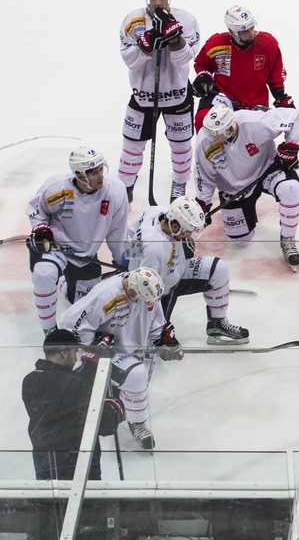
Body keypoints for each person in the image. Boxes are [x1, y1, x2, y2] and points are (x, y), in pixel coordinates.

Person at [57, 267, 180, 450]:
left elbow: (155, 321)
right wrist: (94, 342)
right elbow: (68, 324)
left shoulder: (146, 293)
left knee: (135, 376)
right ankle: (138, 422)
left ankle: (123, 398)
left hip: (128, 348)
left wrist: (163, 339)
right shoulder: (106, 294)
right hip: (102, 352)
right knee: (137, 374)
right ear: (131, 290)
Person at [26, 146, 129, 335]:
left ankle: (64, 284)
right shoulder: (57, 187)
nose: (100, 176)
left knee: (84, 308)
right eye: (93, 172)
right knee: (43, 274)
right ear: (79, 175)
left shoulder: (115, 191)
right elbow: (37, 212)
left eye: (100, 170)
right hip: (57, 250)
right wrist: (41, 231)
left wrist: (122, 259)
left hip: (87, 256)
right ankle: (50, 332)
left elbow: (117, 233)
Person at [118, 0, 200, 203]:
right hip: (143, 97)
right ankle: (125, 186)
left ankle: (179, 185)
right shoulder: (132, 21)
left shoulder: (187, 20)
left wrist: (176, 41)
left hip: (177, 96)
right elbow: (129, 60)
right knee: (132, 145)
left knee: (181, 146)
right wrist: (146, 44)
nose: (157, 2)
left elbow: (183, 59)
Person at [194, 104, 299, 269]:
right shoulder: (205, 142)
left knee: (291, 189)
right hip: (234, 189)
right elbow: (203, 176)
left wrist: (290, 148)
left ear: (229, 128)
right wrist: (203, 204)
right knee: (240, 240)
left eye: (216, 135)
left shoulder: (254, 122)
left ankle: (288, 239)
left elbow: (296, 117)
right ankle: (247, 217)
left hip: (267, 171)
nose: (212, 138)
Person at [125, 196, 249, 344]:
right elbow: (148, 295)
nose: (188, 236)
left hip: (175, 270)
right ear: (175, 226)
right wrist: (159, 325)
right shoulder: (155, 250)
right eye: (187, 232)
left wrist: (130, 261)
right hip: (161, 291)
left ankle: (217, 323)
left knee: (219, 269)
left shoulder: (156, 211)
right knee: (152, 339)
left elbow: (131, 235)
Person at [22, 329, 126, 480]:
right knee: (87, 502)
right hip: (78, 465)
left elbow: (62, 391)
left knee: (50, 503)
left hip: (45, 464)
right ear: (63, 353)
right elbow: (105, 424)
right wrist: (116, 406)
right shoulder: (74, 384)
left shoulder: (29, 380)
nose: (76, 358)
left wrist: (89, 365)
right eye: (74, 352)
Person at [192, 5, 294, 132]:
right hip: (223, 99)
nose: (251, 33)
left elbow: (275, 74)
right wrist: (203, 77)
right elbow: (200, 63)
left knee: (254, 144)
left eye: (252, 27)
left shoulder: (268, 44)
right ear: (232, 31)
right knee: (204, 121)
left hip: (254, 107)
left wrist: (280, 96)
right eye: (245, 31)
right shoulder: (216, 44)